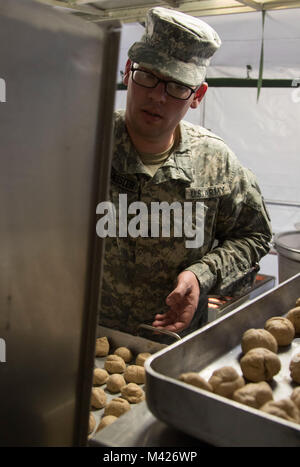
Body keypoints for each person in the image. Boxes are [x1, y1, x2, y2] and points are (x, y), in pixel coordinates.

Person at [97, 7, 272, 338]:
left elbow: (254, 236)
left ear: (198, 96)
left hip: (175, 347)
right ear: (127, 71)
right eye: (147, 75)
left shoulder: (216, 163)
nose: (157, 96)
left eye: (177, 86)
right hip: (86, 338)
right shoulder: (83, 145)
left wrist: (201, 274)